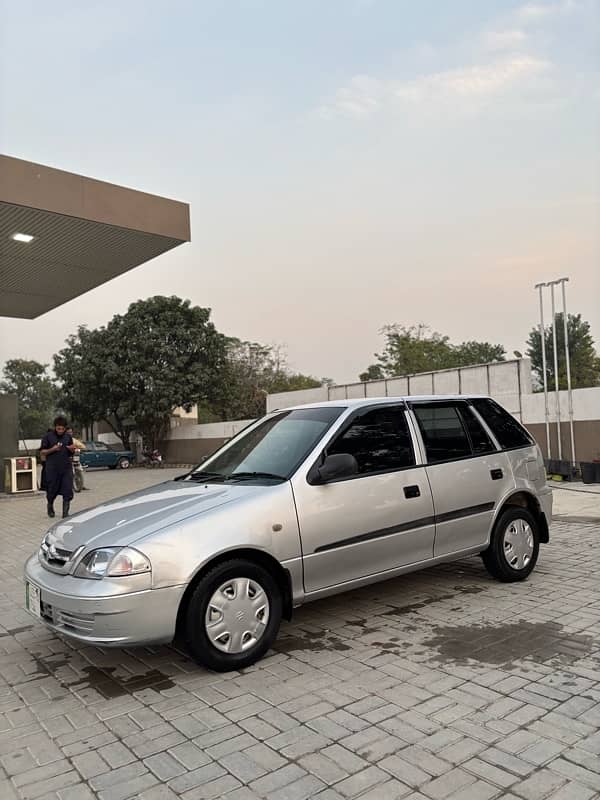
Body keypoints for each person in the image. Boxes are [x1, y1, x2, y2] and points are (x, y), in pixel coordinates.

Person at [40, 416, 75, 518]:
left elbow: (70, 453)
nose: (60, 431)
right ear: (55, 427)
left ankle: (65, 513)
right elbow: (42, 452)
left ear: (65, 428)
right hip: (52, 469)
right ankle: (50, 505)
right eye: (58, 428)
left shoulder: (68, 437)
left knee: (67, 490)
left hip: (66, 468)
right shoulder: (48, 437)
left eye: (62, 429)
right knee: (52, 490)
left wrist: (72, 450)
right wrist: (53, 449)